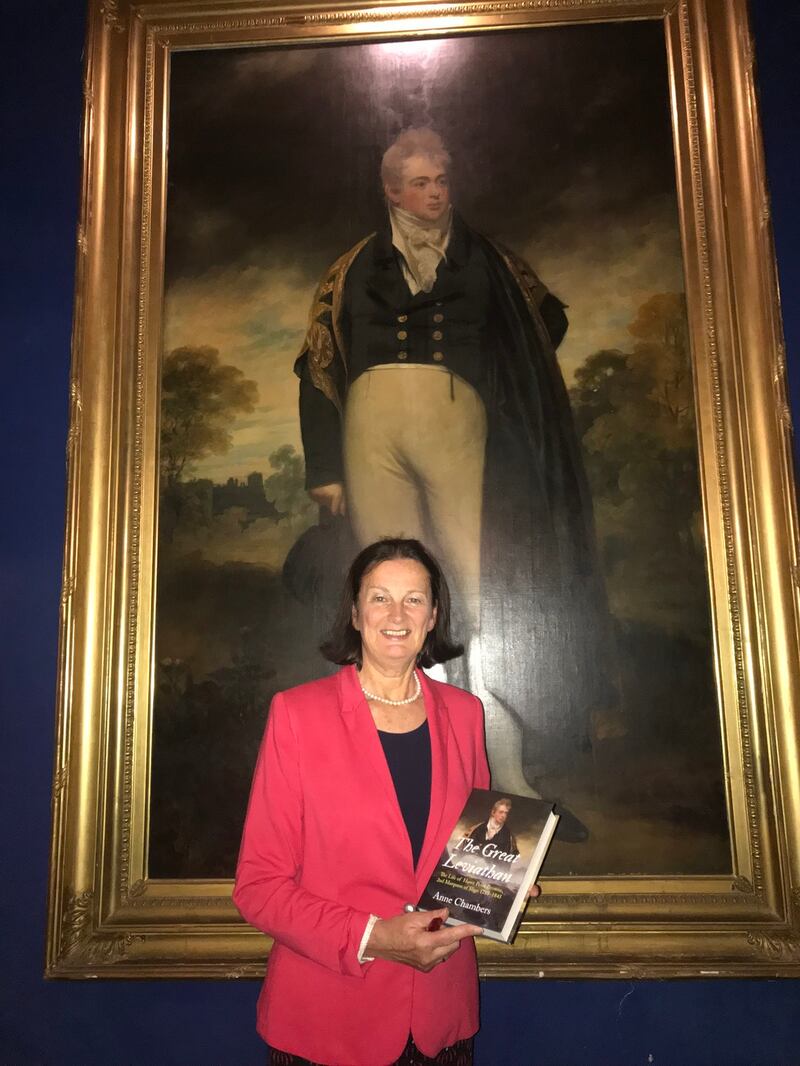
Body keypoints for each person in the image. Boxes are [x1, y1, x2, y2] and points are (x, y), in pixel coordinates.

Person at [294, 127, 613, 802]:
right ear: (389, 190)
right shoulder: (349, 267)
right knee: (393, 599)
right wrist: (325, 469)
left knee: (475, 592)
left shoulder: (490, 259)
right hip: (371, 433)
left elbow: (542, 327)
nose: (434, 195)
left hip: (459, 426)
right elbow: (316, 366)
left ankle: (507, 776)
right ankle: (420, 776)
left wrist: (490, 381)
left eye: (441, 181)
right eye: (419, 183)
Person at [234, 537, 539, 1065]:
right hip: (327, 1022)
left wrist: (501, 884)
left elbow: (474, 847)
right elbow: (258, 888)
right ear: (354, 613)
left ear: (433, 615)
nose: (397, 614)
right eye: (379, 598)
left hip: (441, 1021)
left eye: (414, 599)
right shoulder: (297, 715)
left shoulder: (465, 714)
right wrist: (374, 937)